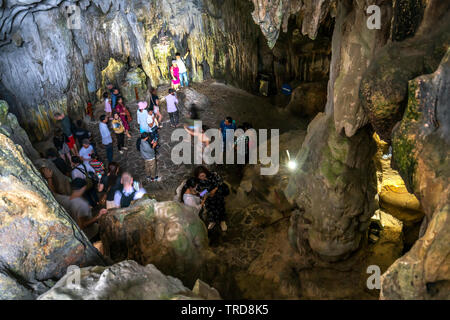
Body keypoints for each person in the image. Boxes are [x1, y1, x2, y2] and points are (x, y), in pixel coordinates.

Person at [194, 166, 228, 231]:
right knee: (210, 207)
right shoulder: (199, 181)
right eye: (200, 176)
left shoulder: (213, 174)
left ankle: (222, 221)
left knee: (219, 205)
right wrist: (206, 193)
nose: (202, 178)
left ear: (205, 172)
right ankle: (213, 221)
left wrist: (214, 190)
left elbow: (220, 182)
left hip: (218, 191)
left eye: (203, 175)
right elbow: (201, 192)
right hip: (209, 195)